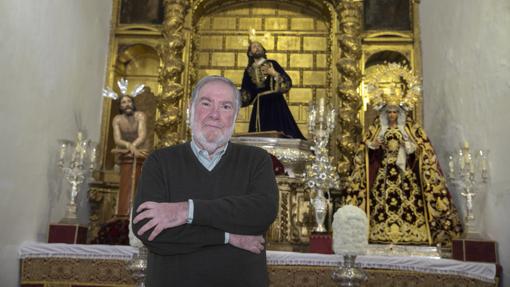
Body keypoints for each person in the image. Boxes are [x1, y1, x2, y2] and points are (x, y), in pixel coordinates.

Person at [132, 75, 279, 286]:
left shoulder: (256, 160)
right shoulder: (160, 161)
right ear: (190, 109)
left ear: (235, 116)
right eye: (206, 103)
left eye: (226, 106)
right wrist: (229, 237)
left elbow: (262, 212)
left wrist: (187, 211)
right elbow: (148, 229)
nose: (215, 114)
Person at [346, 84, 462, 246]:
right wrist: (373, 144)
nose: (392, 115)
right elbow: (366, 148)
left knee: (408, 197)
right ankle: (380, 229)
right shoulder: (377, 128)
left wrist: (407, 144)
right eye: (389, 112)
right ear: (385, 113)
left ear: (399, 113)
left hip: (404, 171)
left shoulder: (409, 128)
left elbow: (420, 149)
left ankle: (412, 228)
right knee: (381, 198)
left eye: (395, 112)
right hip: (384, 170)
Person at [241, 41, 305, 139]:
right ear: (250, 53)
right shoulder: (249, 70)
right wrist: (235, 96)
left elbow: (287, 83)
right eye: (254, 47)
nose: (257, 48)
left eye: (259, 46)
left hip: (276, 104)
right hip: (260, 107)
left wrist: (274, 73)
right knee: (259, 137)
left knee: (280, 133)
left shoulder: (272, 64)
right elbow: (246, 92)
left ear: (263, 50)